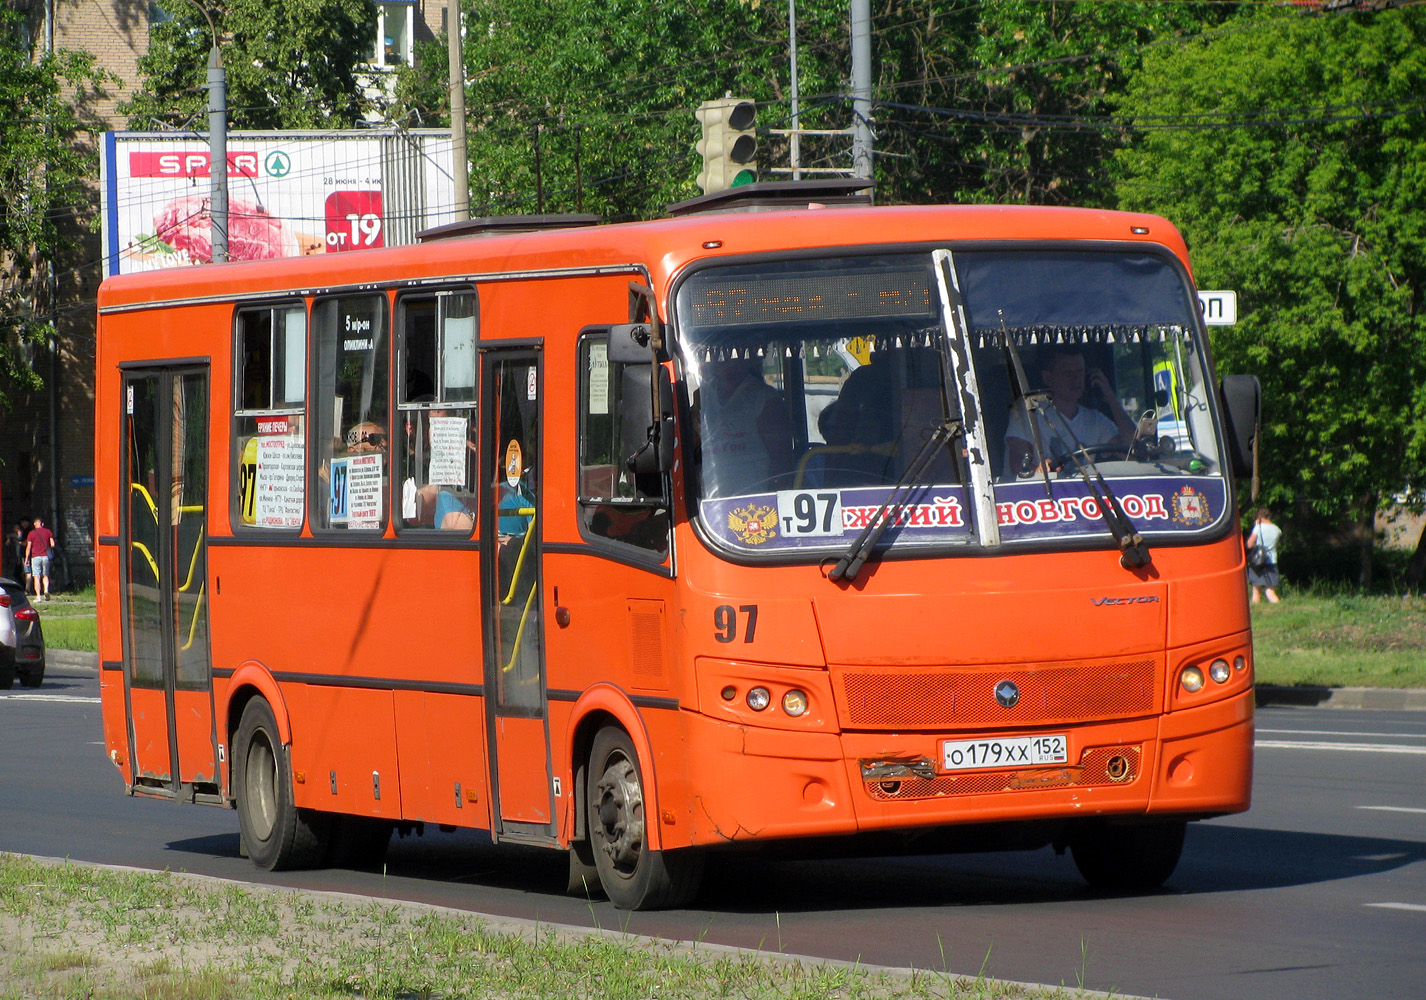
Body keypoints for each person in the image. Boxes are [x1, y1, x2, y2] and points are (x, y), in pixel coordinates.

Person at [1003, 345, 1138, 476]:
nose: (1077, 379)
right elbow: (1018, 464)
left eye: (1081, 372)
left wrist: (1111, 398)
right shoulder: (1028, 410)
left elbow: (1132, 452)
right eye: (1068, 373)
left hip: (1087, 494)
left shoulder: (1095, 420)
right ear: (1048, 378)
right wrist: (1038, 470)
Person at [695, 354, 794, 497]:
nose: (724, 360)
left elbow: (782, 464)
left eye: (732, 353)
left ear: (748, 358)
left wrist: (771, 499)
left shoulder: (764, 399)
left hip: (754, 504)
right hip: (710, 505)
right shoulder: (703, 396)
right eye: (718, 353)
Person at [1246, 507, 1282, 604]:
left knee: (1256, 591)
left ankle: (1257, 611)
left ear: (1259, 516)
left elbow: (1250, 543)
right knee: (1270, 591)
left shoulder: (1258, 528)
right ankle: (1279, 608)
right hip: (1272, 561)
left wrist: (1257, 526)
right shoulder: (1277, 529)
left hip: (1258, 561)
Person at [25, 516, 55, 601]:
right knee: (45, 575)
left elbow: (28, 547)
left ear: (35, 524)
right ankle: (46, 590)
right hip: (46, 556)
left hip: (35, 557)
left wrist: (27, 559)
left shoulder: (31, 533)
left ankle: (38, 596)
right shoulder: (48, 532)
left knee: (36, 577)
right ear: (42, 524)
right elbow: (52, 544)